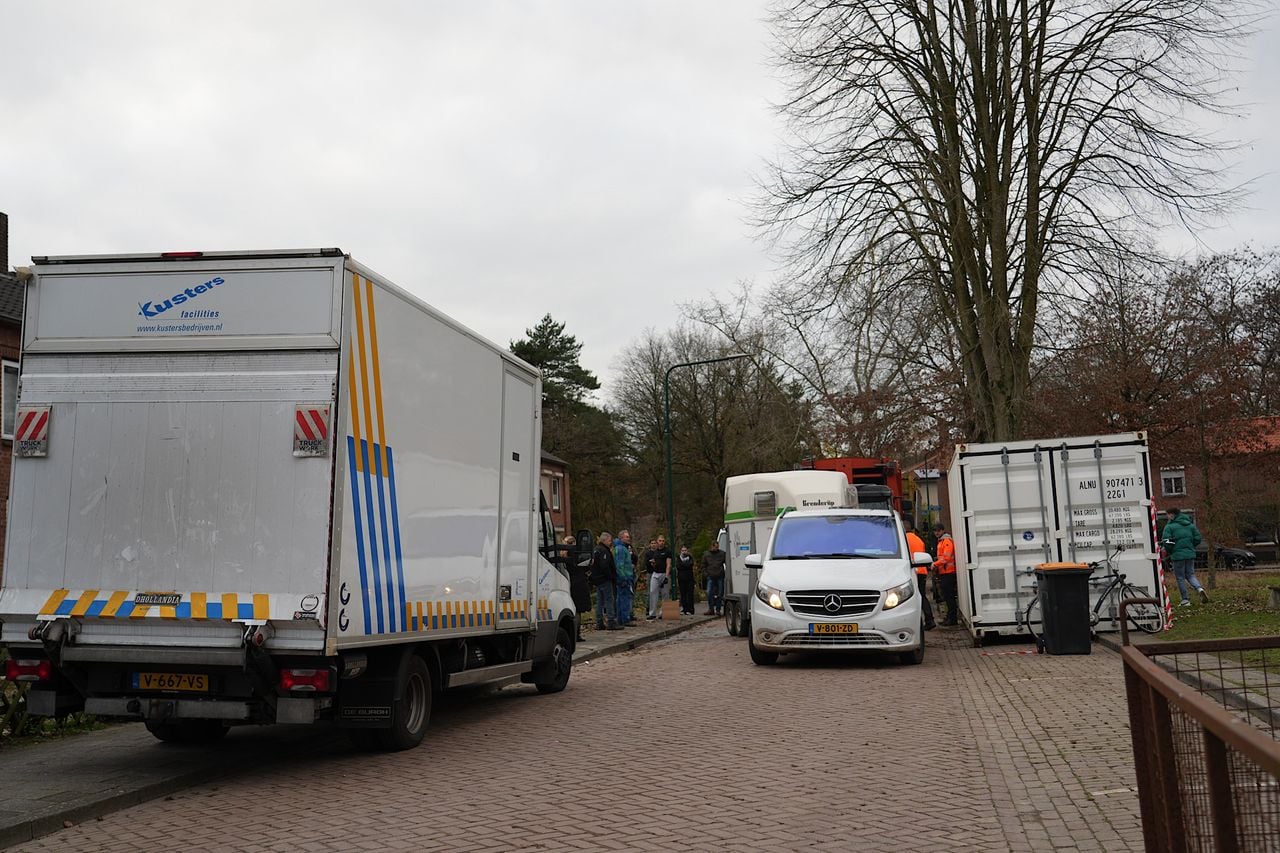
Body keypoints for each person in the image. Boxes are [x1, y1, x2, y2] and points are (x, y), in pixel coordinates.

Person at [1162, 507, 1208, 606]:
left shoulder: (1169, 527)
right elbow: (1198, 538)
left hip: (1178, 555)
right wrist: (1190, 546)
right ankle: (1199, 589)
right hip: (1190, 554)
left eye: (1168, 514)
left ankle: (1185, 600)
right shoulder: (1190, 525)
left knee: (1180, 577)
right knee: (1191, 574)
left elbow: (1166, 541)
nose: (1167, 516)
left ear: (1172, 515)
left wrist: (1171, 551)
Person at [906, 524, 936, 631]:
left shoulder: (903, 539)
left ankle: (926, 620)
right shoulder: (918, 539)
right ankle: (929, 619)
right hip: (922, 571)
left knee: (913, 597)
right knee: (922, 596)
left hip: (912, 571)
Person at [590, 532, 621, 631]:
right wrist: (611, 576)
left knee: (599, 601)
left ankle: (599, 622)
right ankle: (611, 621)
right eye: (609, 540)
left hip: (598, 579)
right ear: (604, 540)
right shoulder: (603, 551)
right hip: (605, 579)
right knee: (609, 600)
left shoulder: (595, 550)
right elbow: (604, 566)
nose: (610, 542)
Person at [565, 533, 591, 641]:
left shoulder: (564, 557)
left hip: (569, 584)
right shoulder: (578, 556)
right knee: (578, 611)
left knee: (573, 609)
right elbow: (587, 567)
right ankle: (576, 634)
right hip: (579, 584)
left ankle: (573, 634)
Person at [932, 522, 958, 626]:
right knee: (947, 597)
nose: (936, 532)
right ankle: (950, 618)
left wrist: (935, 564)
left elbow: (946, 557)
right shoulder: (942, 541)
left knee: (949, 597)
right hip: (945, 572)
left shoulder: (946, 541)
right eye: (935, 531)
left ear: (943, 530)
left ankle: (952, 619)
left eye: (938, 530)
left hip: (948, 573)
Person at [613, 529, 637, 626]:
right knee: (624, 598)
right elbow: (620, 565)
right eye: (626, 537)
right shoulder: (621, 549)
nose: (628, 538)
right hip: (625, 577)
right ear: (621, 538)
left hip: (626, 575)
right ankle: (625, 618)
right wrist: (623, 577)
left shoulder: (623, 548)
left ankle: (621, 618)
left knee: (621, 598)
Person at [645, 536, 672, 620]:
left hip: (664, 573)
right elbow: (654, 563)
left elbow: (668, 564)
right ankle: (652, 613)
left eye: (663, 541)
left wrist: (667, 576)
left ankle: (663, 613)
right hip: (655, 573)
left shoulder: (667, 551)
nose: (661, 542)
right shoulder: (655, 552)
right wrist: (653, 563)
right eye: (660, 541)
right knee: (653, 592)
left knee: (665, 594)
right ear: (657, 542)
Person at [702, 537, 727, 616]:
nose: (716, 548)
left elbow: (727, 562)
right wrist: (706, 574)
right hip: (710, 576)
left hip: (720, 575)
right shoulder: (706, 554)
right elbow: (703, 565)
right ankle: (711, 608)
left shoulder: (722, 554)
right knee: (709, 592)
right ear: (711, 546)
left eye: (717, 547)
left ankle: (718, 609)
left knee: (720, 593)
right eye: (715, 547)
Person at [675, 544, 696, 615]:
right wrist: (685, 566)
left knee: (690, 594)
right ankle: (685, 608)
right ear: (680, 551)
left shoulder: (690, 557)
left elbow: (690, 565)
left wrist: (684, 565)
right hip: (681, 578)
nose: (684, 552)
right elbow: (678, 566)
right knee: (683, 594)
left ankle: (691, 609)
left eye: (685, 550)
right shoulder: (678, 558)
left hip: (689, 578)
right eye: (682, 550)